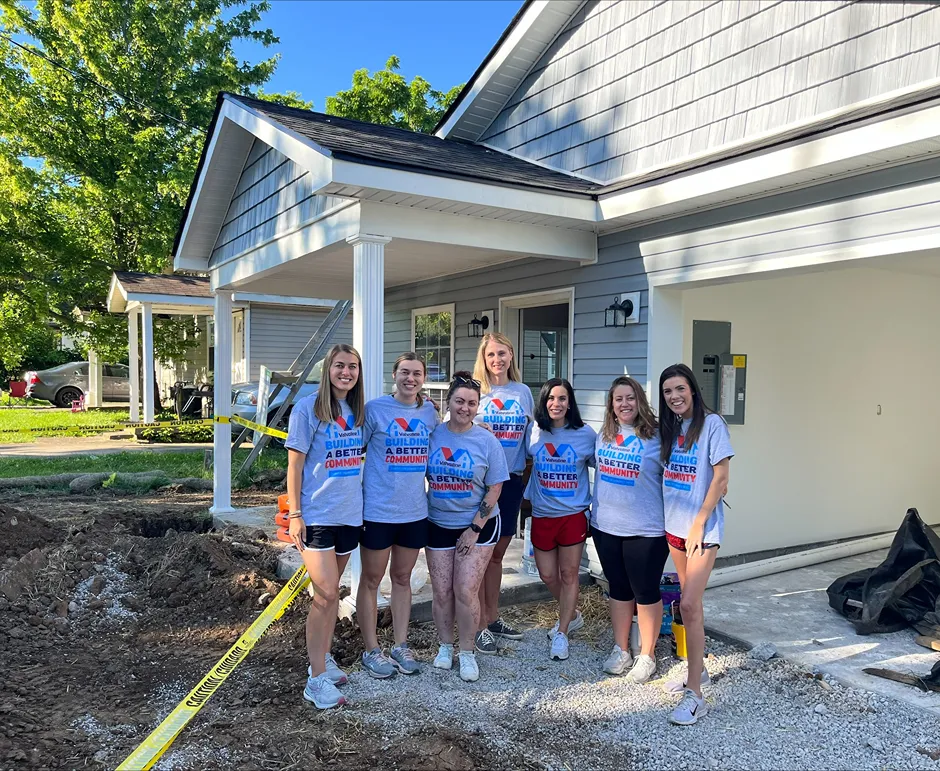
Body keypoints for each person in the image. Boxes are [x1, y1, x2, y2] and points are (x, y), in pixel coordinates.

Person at [286, 344, 365, 710]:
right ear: (327, 369)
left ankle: (325, 656)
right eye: (339, 366)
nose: (346, 372)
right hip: (317, 515)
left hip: (349, 515)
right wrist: (296, 514)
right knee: (326, 594)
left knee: (333, 595)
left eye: (352, 367)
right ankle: (315, 679)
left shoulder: (356, 410)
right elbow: (296, 467)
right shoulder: (307, 410)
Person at [658, 363, 733, 726]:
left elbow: (721, 479)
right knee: (691, 608)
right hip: (674, 527)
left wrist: (699, 523)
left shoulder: (712, 424)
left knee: (688, 602)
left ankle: (696, 697)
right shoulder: (671, 428)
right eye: (668, 391)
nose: (674, 396)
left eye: (680, 389)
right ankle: (696, 672)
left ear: (692, 389)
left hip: (700, 531)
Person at [357, 353, 440, 679]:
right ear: (394, 375)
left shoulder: (429, 411)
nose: (410, 378)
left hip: (414, 511)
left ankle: (400, 644)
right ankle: (370, 649)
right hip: (378, 510)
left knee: (403, 579)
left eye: (416, 373)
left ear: (423, 378)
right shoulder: (376, 409)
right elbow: (353, 449)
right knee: (372, 580)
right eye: (404, 372)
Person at [426, 372, 508, 682]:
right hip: (438, 521)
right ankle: (445, 646)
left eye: (471, 403)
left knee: (465, 589)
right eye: (459, 401)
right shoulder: (434, 434)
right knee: (442, 591)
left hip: (479, 525)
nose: (465, 407)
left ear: (478, 407)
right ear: (449, 402)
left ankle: (467, 651)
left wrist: (474, 529)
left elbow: (495, 486)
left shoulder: (486, 440)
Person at [591, 376, 666, 685]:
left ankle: (647, 655)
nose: (625, 404)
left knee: (645, 591)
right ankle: (621, 649)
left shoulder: (658, 437)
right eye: (619, 398)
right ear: (612, 403)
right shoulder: (604, 434)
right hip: (606, 526)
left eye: (631, 398)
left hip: (646, 529)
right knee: (618, 588)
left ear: (640, 401)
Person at [524, 378, 595, 662]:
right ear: (544, 402)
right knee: (548, 575)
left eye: (562, 398)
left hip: (573, 515)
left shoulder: (586, 434)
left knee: (569, 574)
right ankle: (573, 614)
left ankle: (563, 632)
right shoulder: (535, 432)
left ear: (570, 403)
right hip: (542, 513)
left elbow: (603, 469)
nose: (556, 404)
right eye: (551, 398)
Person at [472, 332, 534, 654]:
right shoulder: (476, 390)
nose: (497, 360)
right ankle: (478, 624)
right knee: (480, 555)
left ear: (511, 356)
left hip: (511, 479)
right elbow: (455, 424)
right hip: (481, 484)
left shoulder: (523, 392)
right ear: (484, 359)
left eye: (502, 353)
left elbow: (531, 439)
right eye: (491, 354)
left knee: (496, 554)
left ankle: (493, 617)